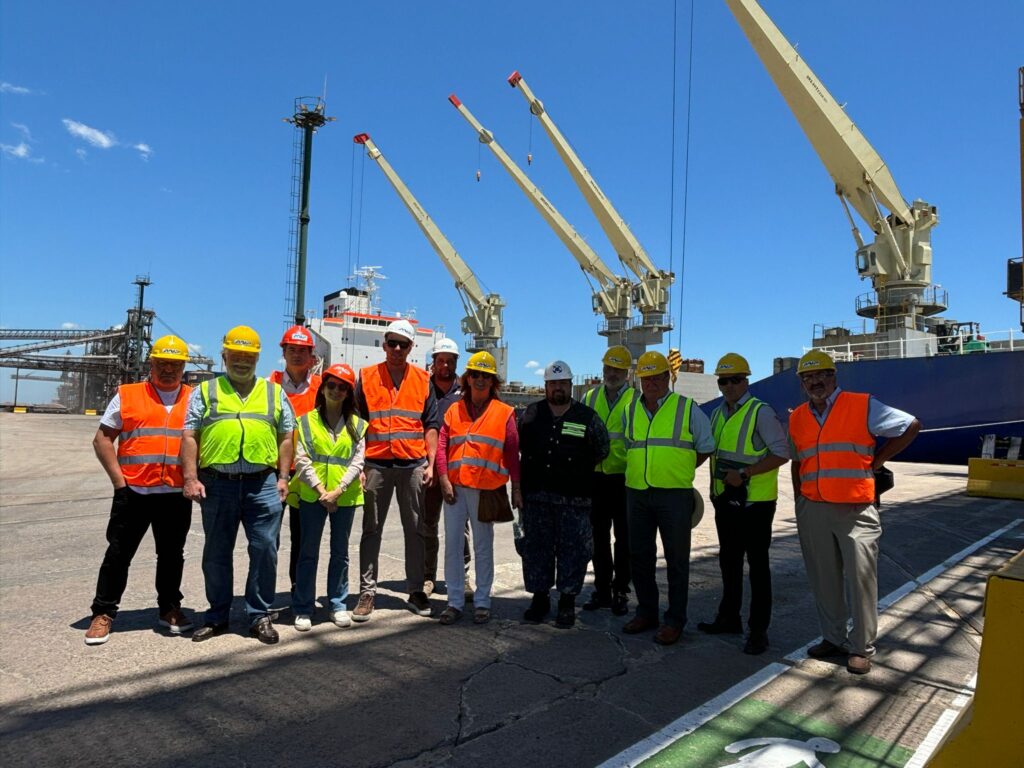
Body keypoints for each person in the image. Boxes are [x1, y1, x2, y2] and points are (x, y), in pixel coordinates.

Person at [789, 349, 920, 675]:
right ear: (802, 383)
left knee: (861, 580)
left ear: (833, 376)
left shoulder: (861, 405)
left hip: (854, 508)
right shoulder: (797, 417)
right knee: (824, 578)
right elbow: (798, 461)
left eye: (821, 375)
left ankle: (861, 647)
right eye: (808, 377)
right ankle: (833, 638)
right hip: (814, 509)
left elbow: (910, 425)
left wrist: (876, 462)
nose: (815, 381)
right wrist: (799, 501)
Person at [181, 326, 296, 645]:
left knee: (264, 551)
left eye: (249, 357)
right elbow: (190, 435)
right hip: (218, 484)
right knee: (216, 552)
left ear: (257, 358)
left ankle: (259, 615)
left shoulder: (274, 392)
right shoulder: (206, 391)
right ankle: (217, 616)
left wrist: (283, 476)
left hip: (263, 484)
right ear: (224, 356)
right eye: (236, 356)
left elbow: (287, 436)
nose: (242, 362)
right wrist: (190, 478)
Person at [85, 335, 195, 645]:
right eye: (162, 364)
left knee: (172, 555)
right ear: (151, 363)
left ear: (184, 366)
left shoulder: (194, 398)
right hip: (134, 492)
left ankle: (170, 609)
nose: (169, 370)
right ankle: (103, 613)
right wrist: (120, 483)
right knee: (118, 554)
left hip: (174, 494)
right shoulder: (128, 395)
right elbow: (102, 439)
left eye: (175, 365)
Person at [697, 353, 789, 655]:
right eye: (724, 380)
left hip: (756, 504)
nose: (729, 385)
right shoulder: (717, 414)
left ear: (746, 380)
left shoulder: (759, 412)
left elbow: (781, 453)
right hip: (726, 501)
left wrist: (746, 473)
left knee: (758, 567)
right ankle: (729, 617)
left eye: (735, 379)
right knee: (729, 561)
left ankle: (758, 630)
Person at [621, 351, 714, 645]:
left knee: (676, 560)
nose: (651, 383)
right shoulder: (630, 410)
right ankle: (646, 612)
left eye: (657, 377)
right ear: (639, 381)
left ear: (667, 378)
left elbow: (706, 446)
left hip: (673, 495)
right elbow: (629, 445)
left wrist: (680, 468)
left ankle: (675, 620)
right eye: (646, 378)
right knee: (640, 556)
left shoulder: (687, 409)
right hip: (637, 492)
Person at [352, 318, 439, 621]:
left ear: (411, 348)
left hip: (412, 464)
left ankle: (416, 590)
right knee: (371, 530)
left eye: (403, 344)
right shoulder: (365, 377)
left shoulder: (422, 379)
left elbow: (431, 425)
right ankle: (367, 591)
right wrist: (358, 464)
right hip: (376, 463)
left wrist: (430, 462)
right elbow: (356, 425)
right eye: (392, 343)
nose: (397, 349)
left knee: (415, 530)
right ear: (384, 343)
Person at [518, 360, 609, 628]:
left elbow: (602, 448)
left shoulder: (587, 417)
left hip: (575, 500)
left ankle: (567, 602)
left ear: (570, 386)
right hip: (537, 498)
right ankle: (540, 598)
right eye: (553, 383)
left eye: (563, 383)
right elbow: (518, 448)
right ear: (546, 386)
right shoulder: (531, 415)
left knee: (574, 551)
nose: (558, 388)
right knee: (536, 550)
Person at [435, 351, 520, 625]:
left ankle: (482, 601)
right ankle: (455, 602)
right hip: (455, 489)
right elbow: (441, 448)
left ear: (493, 381)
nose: (480, 380)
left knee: (483, 547)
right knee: (453, 547)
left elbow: (512, 452)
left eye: (486, 376)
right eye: (475, 375)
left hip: (486, 490)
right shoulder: (453, 410)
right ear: (467, 378)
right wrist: (444, 479)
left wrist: (516, 488)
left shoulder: (504, 413)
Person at [291, 363, 366, 631]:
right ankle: (303, 607)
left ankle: (337, 604)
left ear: (348, 393)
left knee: (340, 553)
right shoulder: (306, 421)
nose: (336, 390)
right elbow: (301, 459)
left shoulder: (358, 425)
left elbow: (358, 462)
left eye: (342, 387)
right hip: (313, 497)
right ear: (322, 388)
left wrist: (338, 491)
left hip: (344, 498)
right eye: (331, 385)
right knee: (307, 552)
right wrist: (323, 491)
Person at [580, 345, 636, 617]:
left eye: (617, 369)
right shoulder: (590, 397)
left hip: (625, 480)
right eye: (608, 368)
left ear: (627, 372)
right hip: (596, 478)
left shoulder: (636, 400)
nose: (611, 373)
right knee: (598, 538)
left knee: (624, 539)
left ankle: (621, 591)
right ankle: (602, 590)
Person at [269, 325, 322, 604]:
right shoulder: (269, 385)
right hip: (275, 473)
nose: (298, 355)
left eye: (303, 350)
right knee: (268, 540)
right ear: (283, 352)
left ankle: (300, 592)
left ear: (312, 355)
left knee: (304, 540)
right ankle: (264, 597)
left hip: (307, 473)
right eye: (292, 350)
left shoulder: (323, 387)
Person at [421, 337, 473, 599]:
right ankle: (428, 577)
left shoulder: (465, 392)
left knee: (459, 526)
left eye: (449, 361)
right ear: (433, 362)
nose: (444, 365)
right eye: (440, 360)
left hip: (455, 468)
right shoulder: (423, 388)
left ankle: (461, 578)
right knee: (427, 523)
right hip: (428, 467)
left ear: (456, 363)